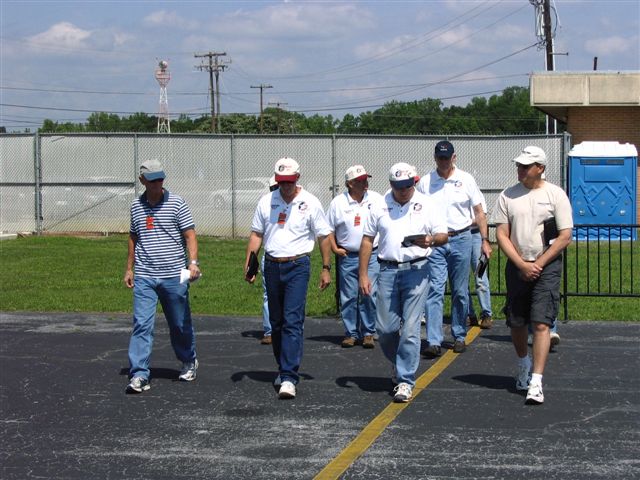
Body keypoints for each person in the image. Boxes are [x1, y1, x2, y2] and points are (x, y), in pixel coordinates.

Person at [244, 157, 333, 400]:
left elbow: (323, 237)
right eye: (281, 182)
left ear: (298, 179)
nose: (285, 187)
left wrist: (326, 268)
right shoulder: (266, 201)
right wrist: (250, 265)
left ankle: (289, 376)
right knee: (276, 323)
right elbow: (256, 235)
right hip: (272, 265)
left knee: (292, 320)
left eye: (289, 182)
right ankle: (283, 368)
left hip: (298, 265)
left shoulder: (310, 202)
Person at [359, 162, 448, 403]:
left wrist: (430, 240)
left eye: (408, 186)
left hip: (417, 269)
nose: (403, 191)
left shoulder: (427, 204)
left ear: (415, 182)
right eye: (398, 187)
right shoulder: (379, 205)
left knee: (410, 329)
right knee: (385, 330)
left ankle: (405, 380)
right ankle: (399, 364)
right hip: (387, 270)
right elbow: (367, 240)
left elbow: (443, 234)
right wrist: (364, 274)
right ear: (391, 185)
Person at [493, 146, 573, 405]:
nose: (520, 169)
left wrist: (538, 263)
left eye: (525, 166)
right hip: (518, 265)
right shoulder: (508, 195)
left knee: (541, 323)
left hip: (546, 266)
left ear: (540, 167)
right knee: (516, 321)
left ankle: (536, 381)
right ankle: (523, 364)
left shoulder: (555, 195)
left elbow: (564, 236)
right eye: (519, 165)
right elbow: (502, 234)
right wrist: (520, 263)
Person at [123, 158, 201, 394]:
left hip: (173, 275)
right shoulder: (136, 206)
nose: (158, 183)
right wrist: (129, 268)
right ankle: (139, 374)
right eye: (153, 179)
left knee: (179, 323)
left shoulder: (177, 203)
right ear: (142, 180)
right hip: (145, 276)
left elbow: (190, 235)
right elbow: (133, 238)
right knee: (142, 324)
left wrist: (193, 263)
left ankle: (188, 360)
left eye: (160, 179)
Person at [417, 140, 492, 357]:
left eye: (447, 157)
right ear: (435, 158)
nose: (443, 161)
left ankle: (459, 335)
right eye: (440, 158)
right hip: (436, 242)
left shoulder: (466, 179)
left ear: (454, 158)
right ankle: (433, 340)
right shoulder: (425, 182)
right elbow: (418, 210)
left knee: (460, 291)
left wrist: (485, 240)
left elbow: (479, 212)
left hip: (462, 238)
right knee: (435, 290)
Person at [326, 165, 382, 349]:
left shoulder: (376, 199)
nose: (365, 183)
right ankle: (351, 333)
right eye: (360, 180)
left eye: (366, 179)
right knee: (348, 296)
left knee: (368, 293)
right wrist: (334, 248)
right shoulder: (338, 203)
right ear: (349, 184)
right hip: (348, 256)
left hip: (372, 255)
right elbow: (328, 230)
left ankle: (368, 332)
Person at [259, 175, 280, 346]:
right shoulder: (265, 204)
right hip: (270, 256)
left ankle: (287, 329)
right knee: (269, 294)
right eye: (273, 188)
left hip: (291, 259)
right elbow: (256, 233)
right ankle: (269, 330)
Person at [467, 196, 493, 329]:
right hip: (456, 237)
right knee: (460, 280)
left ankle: (486, 313)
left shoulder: (474, 192)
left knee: (480, 276)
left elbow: (482, 216)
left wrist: (462, 223)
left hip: (475, 235)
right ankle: (468, 314)